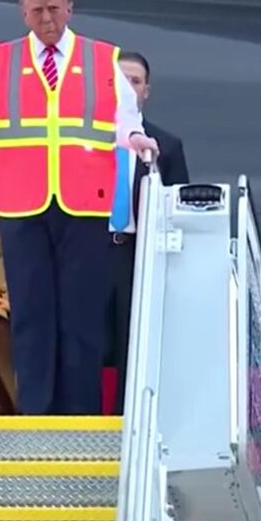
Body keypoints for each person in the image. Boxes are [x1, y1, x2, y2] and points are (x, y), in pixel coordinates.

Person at [0, 0, 161, 415]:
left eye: (54, 9)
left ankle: (80, 418)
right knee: (31, 314)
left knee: (81, 316)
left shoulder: (103, 59)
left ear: (69, 9)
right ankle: (36, 417)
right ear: (22, 11)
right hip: (21, 203)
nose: (46, 19)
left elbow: (124, 121)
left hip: (85, 201)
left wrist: (137, 140)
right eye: (37, 10)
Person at [106, 50, 190, 415]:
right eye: (120, 80)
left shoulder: (167, 146)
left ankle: (130, 423)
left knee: (134, 342)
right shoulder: (85, 138)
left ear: (146, 91)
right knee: (82, 341)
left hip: (137, 255)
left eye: (135, 81)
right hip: (89, 250)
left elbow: (179, 211)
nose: (128, 87)